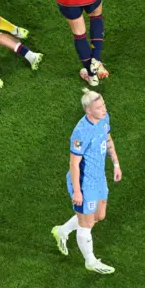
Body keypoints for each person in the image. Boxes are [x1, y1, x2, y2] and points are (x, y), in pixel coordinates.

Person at [51, 88, 121, 275]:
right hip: (83, 183)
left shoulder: (104, 118)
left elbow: (107, 138)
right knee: (86, 224)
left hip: (99, 177)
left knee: (99, 216)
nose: (103, 109)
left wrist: (115, 163)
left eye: (103, 105)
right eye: (98, 107)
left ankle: (62, 230)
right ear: (88, 111)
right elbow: (74, 164)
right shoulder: (80, 133)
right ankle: (90, 261)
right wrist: (77, 191)